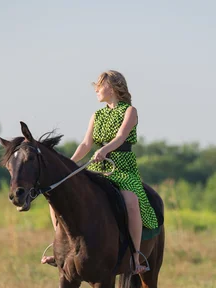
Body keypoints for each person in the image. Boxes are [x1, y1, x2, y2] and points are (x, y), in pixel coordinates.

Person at [41, 70, 159, 274]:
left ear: (112, 88)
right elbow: (86, 144)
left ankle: (135, 256)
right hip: (97, 166)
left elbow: (121, 137)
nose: (96, 89)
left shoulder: (130, 111)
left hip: (121, 167)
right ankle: (62, 248)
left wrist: (104, 150)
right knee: (58, 197)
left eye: (99, 85)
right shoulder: (97, 115)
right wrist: (69, 164)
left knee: (131, 201)